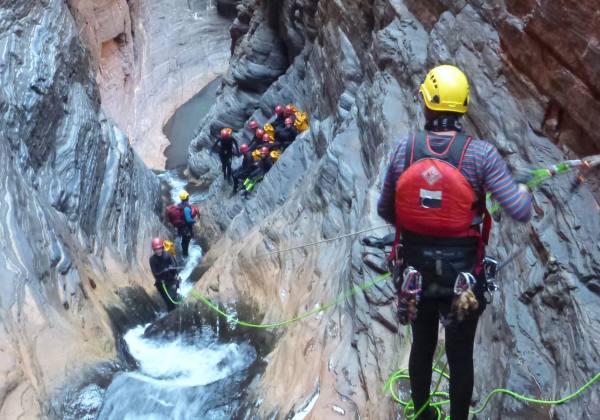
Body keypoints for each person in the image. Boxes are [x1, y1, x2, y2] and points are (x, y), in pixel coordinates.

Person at [377, 64, 532, 420]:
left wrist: (421, 221)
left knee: (422, 346)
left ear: (427, 104)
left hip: (415, 275)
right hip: (463, 280)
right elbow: (520, 210)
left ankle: (423, 415)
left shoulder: (405, 150)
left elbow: (385, 208)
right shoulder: (481, 156)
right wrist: (523, 189)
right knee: (460, 358)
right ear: (462, 107)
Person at [149, 237, 180, 311]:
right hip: (161, 283)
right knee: (168, 301)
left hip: (171, 280)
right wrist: (163, 271)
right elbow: (155, 273)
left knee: (171, 298)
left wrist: (171, 267)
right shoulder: (152, 260)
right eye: (156, 249)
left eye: (159, 248)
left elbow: (175, 266)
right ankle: (172, 312)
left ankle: (175, 309)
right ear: (154, 250)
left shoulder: (168, 255)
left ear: (162, 247)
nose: (158, 251)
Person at [167, 190, 196, 257]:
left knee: (183, 241)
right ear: (187, 197)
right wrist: (194, 221)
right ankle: (185, 255)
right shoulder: (186, 208)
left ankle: (183, 253)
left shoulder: (179, 205)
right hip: (186, 228)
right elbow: (188, 220)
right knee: (186, 242)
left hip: (180, 228)